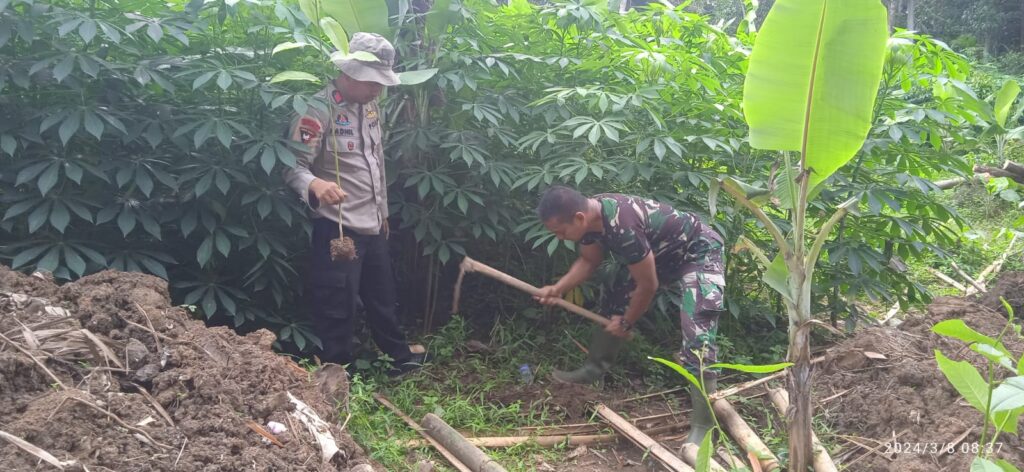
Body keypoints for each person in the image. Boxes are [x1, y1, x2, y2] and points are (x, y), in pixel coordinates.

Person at [534, 185, 726, 444]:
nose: (559, 237)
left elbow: (648, 286)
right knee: (616, 293)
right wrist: (558, 288)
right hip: (661, 255)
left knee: (698, 332)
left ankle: (704, 427)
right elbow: (589, 261)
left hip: (699, 251)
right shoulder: (589, 222)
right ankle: (593, 370)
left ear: (578, 218)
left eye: (561, 231)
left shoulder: (623, 226)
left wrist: (626, 322)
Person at [283, 32, 427, 377]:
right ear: (348, 74)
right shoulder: (317, 111)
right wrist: (315, 184)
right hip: (338, 225)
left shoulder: (371, 107)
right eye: (371, 82)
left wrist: (384, 211)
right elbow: (290, 166)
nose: (377, 89)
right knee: (337, 302)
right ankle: (338, 369)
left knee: (382, 294)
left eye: (381, 83)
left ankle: (400, 358)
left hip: (373, 222)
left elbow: (375, 162)